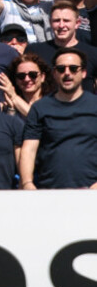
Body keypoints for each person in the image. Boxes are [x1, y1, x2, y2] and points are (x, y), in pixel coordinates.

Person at [20, 48, 97, 189]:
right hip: (51, 192)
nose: (67, 73)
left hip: (92, 192)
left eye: (73, 68)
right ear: (54, 73)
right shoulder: (40, 108)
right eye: (61, 69)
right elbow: (29, 149)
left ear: (84, 73)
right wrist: (27, 183)